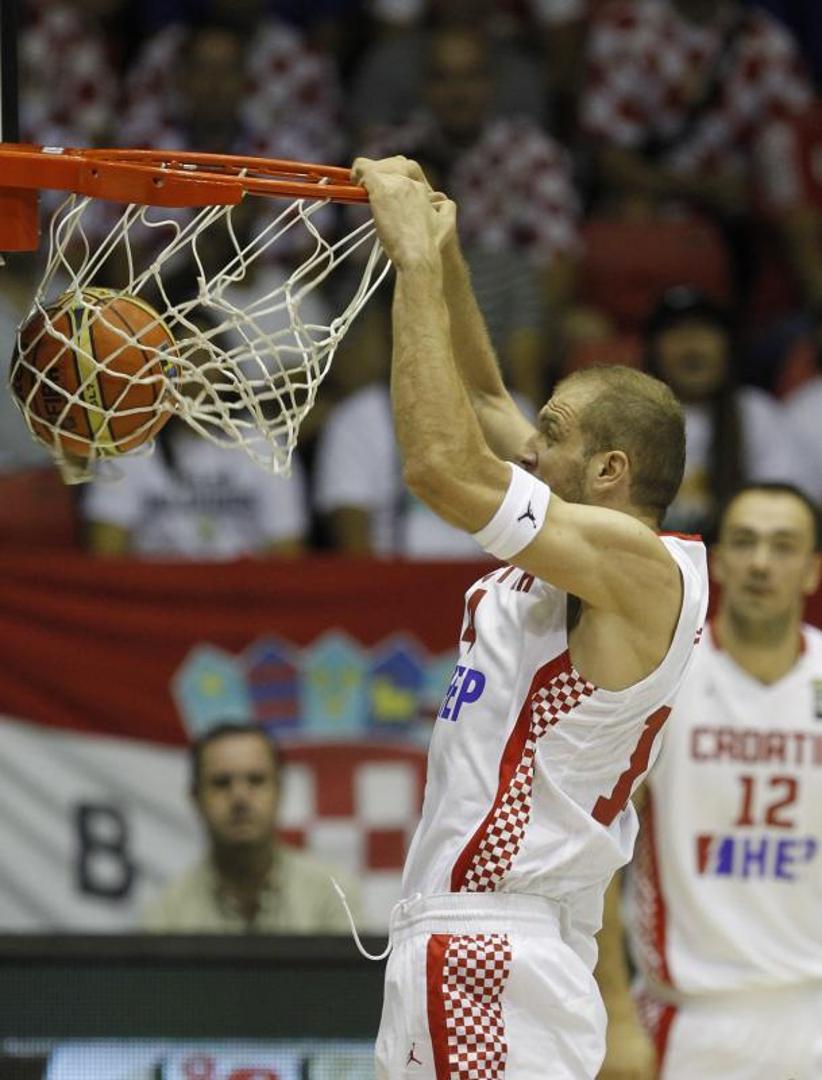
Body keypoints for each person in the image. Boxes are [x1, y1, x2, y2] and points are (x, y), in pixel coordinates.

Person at [349, 156, 708, 1079]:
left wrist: (409, 265)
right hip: (478, 943)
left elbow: (441, 466)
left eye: (551, 433)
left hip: (494, 948)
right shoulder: (582, 536)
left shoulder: (642, 568)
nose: (528, 445)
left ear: (611, 471)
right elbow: (477, 403)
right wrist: (444, 250)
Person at [598, 483, 822, 1079]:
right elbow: (595, 855)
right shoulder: (667, 675)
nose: (760, 563)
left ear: (812, 570)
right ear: (716, 562)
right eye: (744, 543)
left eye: (783, 546)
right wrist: (614, 1014)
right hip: (689, 1016)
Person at [143, 722, 360, 933]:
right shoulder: (169, 914)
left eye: (256, 780)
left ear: (279, 790)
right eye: (221, 782)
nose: (240, 797)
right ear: (196, 797)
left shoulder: (330, 897)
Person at [646, 285, 809, 541]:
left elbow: (785, 504)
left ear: (728, 347)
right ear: (653, 349)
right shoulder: (629, 414)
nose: (692, 347)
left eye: (705, 332)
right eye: (677, 333)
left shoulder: (757, 414)